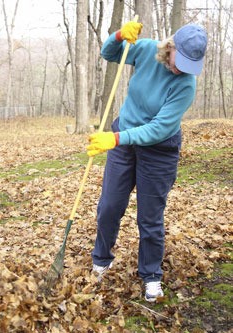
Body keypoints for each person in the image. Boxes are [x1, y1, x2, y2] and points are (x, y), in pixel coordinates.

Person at [87, 21, 207, 302]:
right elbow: (109, 54)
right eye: (182, 60)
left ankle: (151, 275)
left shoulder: (186, 85)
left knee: (150, 218)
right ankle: (101, 258)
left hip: (159, 150)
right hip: (124, 137)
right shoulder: (146, 49)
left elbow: (159, 129)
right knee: (109, 206)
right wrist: (118, 36)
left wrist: (116, 139)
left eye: (193, 64)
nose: (184, 69)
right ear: (171, 47)